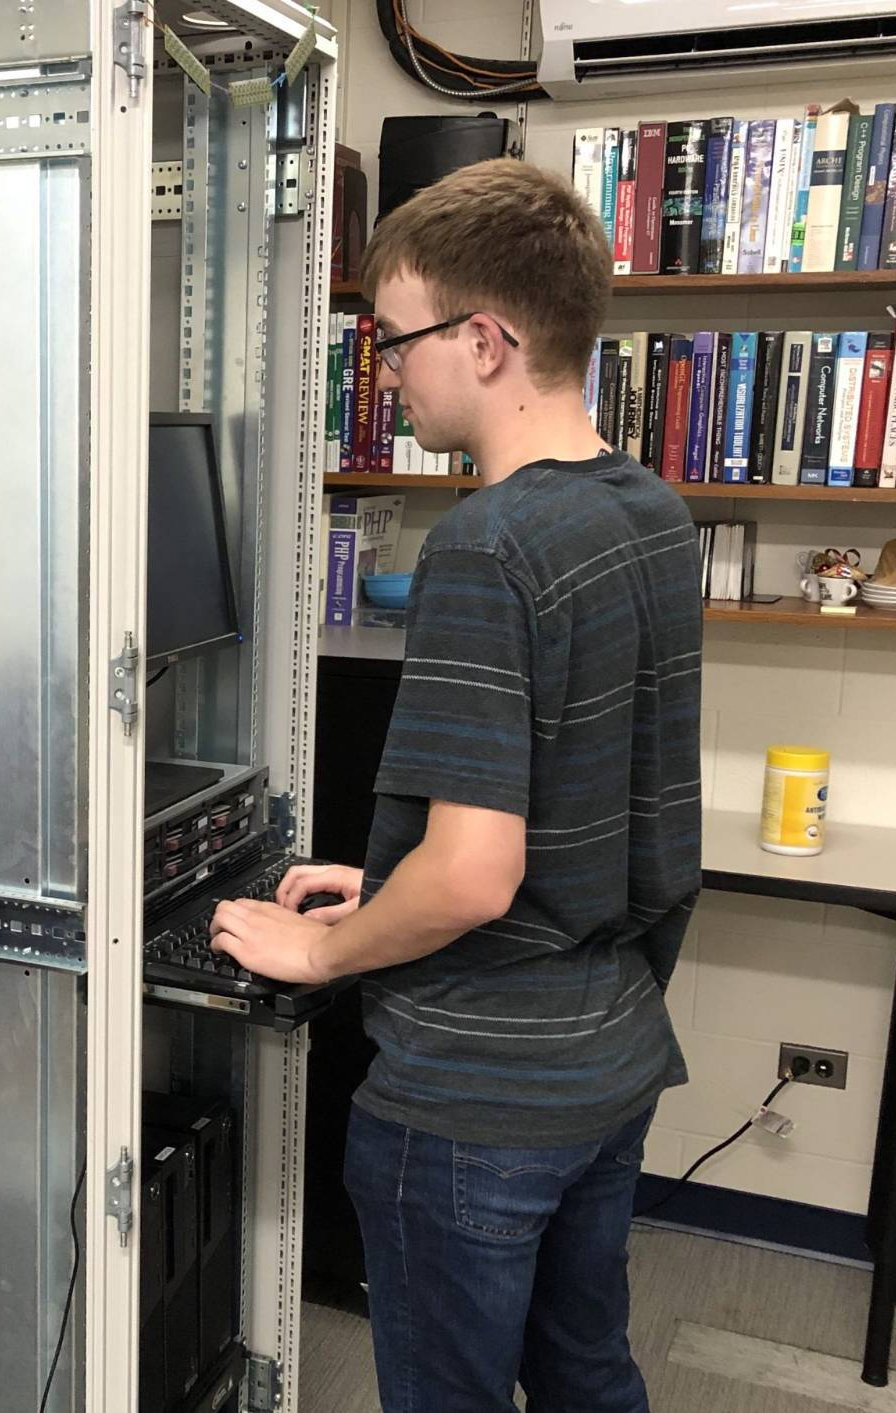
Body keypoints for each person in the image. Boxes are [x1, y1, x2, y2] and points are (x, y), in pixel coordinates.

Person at [209, 158, 701, 1412]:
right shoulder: (646, 509)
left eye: (395, 339)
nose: (385, 370)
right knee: (588, 1372)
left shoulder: (485, 545)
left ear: (484, 341)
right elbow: (594, 800)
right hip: (607, 1056)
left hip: (476, 1097)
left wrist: (327, 952)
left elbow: (476, 875)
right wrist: (388, 885)